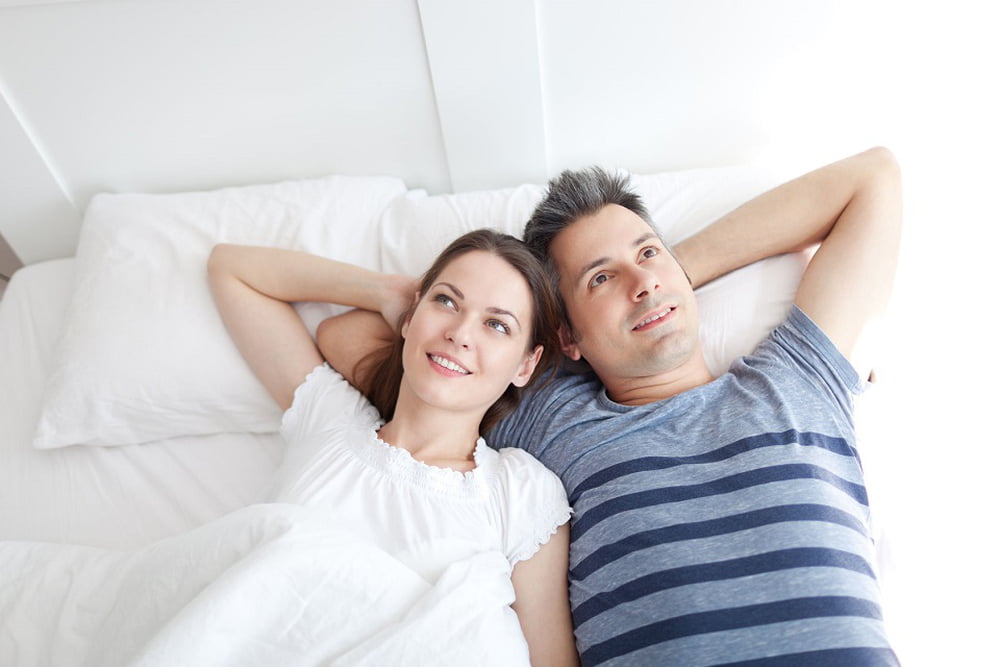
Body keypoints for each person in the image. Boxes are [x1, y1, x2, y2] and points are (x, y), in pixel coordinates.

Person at [317, 147, 903, 665]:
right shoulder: (553, 420)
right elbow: (346, 337)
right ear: (566, 337)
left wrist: (670, 276)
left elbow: (873, 178)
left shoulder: (799, 373)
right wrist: (412, 299)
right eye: (600, 279)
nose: (641, 282)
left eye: (648, 252)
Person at [207, 229, 579, 666]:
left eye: (497, 325)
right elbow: (230, 268)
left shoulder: (519, 491)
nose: (460, 333)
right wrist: (386, 291)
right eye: (446, 301)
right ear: (410, 316)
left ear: (526, 364)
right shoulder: (330, 419)